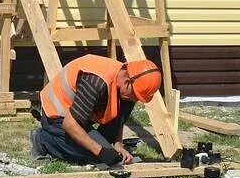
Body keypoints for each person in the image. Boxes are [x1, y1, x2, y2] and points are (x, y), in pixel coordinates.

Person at [30, 54, 163, 166]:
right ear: (127, 81)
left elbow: (119, 116)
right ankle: (43, 140)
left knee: (109, 153)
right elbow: (69, 124)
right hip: (57, 115)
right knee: (93, 155)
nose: (135, 99)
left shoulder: (125, 84)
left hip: (80, 115)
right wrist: (99, 151)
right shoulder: (95, 82)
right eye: (135, 95)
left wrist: (118, 145)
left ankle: (96, 148)